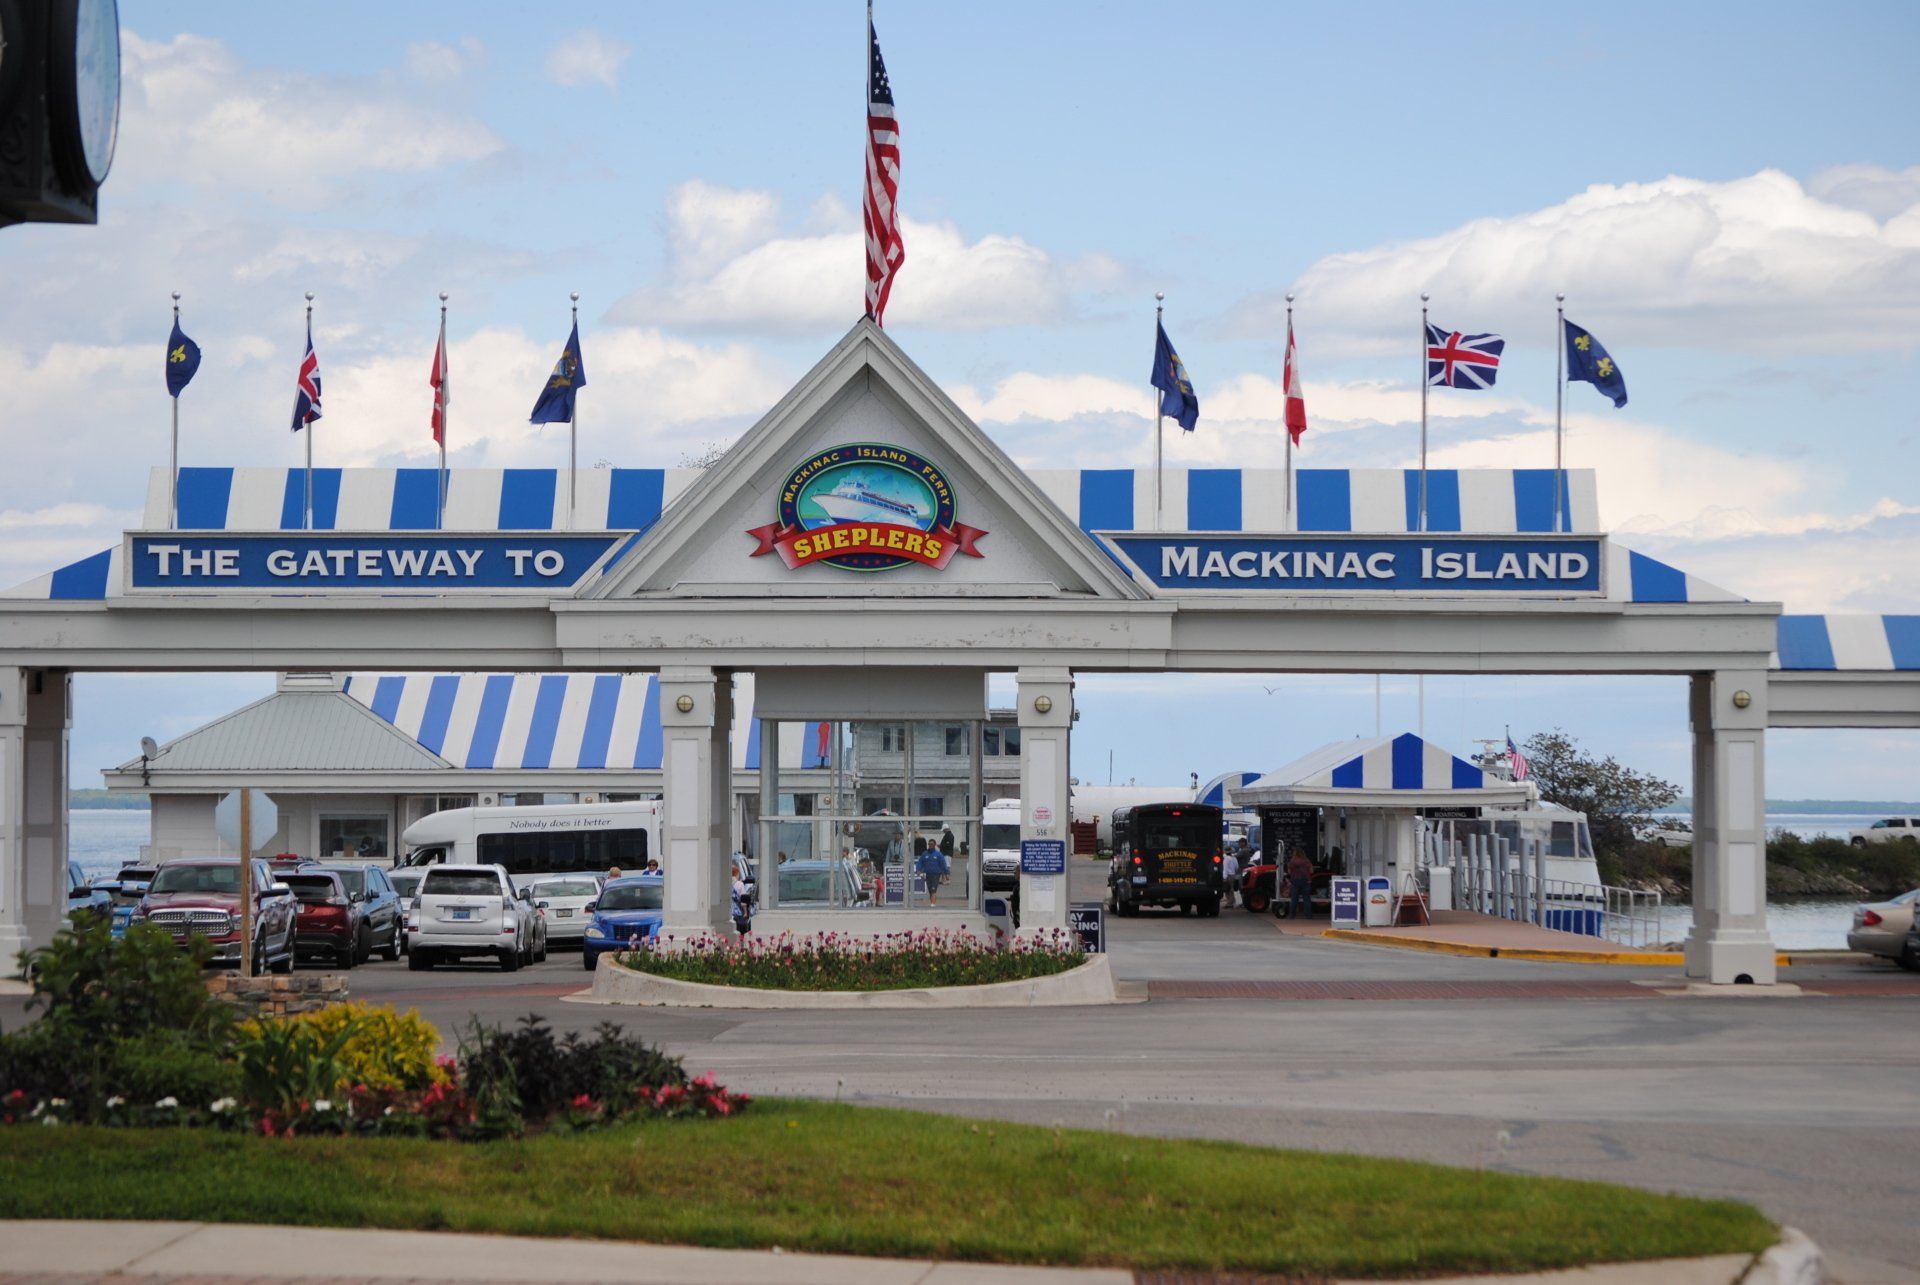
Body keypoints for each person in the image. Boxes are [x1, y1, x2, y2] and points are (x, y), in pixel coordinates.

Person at [916, 837, 950, 906]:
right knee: (930, 890)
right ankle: (932, 902)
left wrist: (947, 874)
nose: (930, 845)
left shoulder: (938, 854)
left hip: (936, 875)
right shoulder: (924, 854)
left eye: (931, 844)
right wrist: (918, 870)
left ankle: (933, 904)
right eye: (929, 844)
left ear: (934, 845)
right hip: (927, 874)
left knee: (933, 889)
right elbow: (920, 863)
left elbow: (943, 864)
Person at [1285, 847, 1314, 921]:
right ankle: (1308, 915)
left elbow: (1289, 872)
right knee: (1306, 899)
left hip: (1295, 882)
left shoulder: (1292, 862)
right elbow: (1311, 871)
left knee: (1294, 899)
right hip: (1306, 881)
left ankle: (1292, 915)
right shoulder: (1306, 861)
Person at [1221, 843, 1241, 909]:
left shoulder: (1226, 859)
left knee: (1227, 889)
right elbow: (1237, 867)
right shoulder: (1234, 858)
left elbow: (1225, 868)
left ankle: (1229, 903)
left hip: (1228, 875)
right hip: (1233, 874)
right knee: (1232, 889)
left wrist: (1224, 877)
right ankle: (1232, 902)